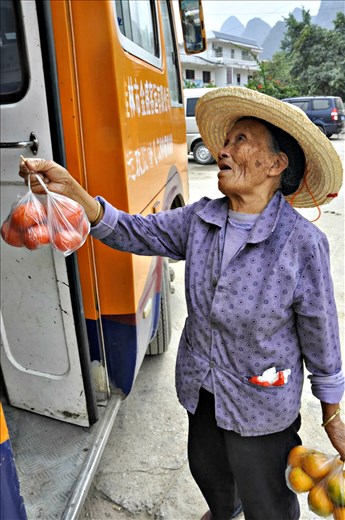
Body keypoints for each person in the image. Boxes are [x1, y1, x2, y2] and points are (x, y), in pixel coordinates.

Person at [19, 87, 344, 520]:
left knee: (267, 498)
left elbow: (321, 334)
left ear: (275, 164)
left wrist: (331, 415)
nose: (222, 151)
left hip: (261, 402)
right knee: (209, 473)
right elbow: (133, 231)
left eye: (240, 141)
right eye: (224, 141)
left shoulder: (302, 244)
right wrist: (75, 193)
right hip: (202, 385)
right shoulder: (201, 219)